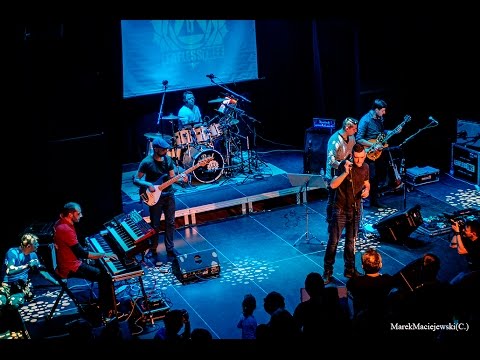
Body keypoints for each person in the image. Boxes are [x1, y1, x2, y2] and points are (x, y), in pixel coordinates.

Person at [53, 201, 118, 317]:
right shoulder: (65, 229)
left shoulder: (60, 222)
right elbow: (82, 253)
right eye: (78, 214)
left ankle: (105, 302)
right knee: (105, 276)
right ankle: (107, 308)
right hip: (70, 267)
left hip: (68, 261)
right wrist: (104, 254)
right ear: (70, 214)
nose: (81, 216)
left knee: (101, 268)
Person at [133, 137, 187, 266]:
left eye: (166, 149)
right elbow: (136, 179)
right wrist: (147, 184)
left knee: (170, 222)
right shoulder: (146, 162)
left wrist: (182, 179)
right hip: (155, 197)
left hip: (169, 194)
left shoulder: (168, 160)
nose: (166, 151)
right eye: (163, 149)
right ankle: (153, 249)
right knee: (155, 225)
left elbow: (172, 177)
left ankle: (170, 248)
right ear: (155, 148)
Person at [323, 143, 370, 284]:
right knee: (334, 242)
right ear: (352, 155)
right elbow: (333, 185)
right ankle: (327, 271)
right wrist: (345, 172)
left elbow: (367, 183)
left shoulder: (366, 167)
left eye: (362, 157)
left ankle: (350, 270)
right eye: (356, 158)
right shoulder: (344, 164)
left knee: (351, 242)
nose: (359, 161)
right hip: (340, 210)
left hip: (355, 209)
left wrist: (367, 191)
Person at [356, 99, 401, 208]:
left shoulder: (380, 118)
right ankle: (369, 200)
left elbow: (380, 133)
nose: (384, 113)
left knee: (380, 175)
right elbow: (359, 139)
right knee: (372, 177)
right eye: (382, 110)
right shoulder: (365, 120)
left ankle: (374, 200)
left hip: (379, 152)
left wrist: (391, 132)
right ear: (376, 109)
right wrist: (373, 145)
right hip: (369, 152)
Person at [346, 248, 395, 339]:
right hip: (382, 317)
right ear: (380, 265)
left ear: (362, 266)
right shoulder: (387, 280)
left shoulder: (355, 282)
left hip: (362, 318)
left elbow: (350, 289)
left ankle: (352, 318)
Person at [0, 233, 57, 311]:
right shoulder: (12, 252)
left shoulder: (33, 255)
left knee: (14, 303)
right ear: (29, 246)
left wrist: (56, 282)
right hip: (7, 284)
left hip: (20, 285)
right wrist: (27, 265)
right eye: (36, 244)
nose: (38, 245)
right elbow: (10, 270)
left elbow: (42, 271)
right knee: (1, 302)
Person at [325, 117, 358, 228]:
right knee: (333, 198)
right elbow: (331, 161)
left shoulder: (352, 138)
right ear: (347, 128)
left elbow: (352, 153)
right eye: (354, 129)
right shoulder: (335, 140)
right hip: (334, 173)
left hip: (345, 172)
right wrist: (343, 165)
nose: (356, 131)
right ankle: (330, 222)